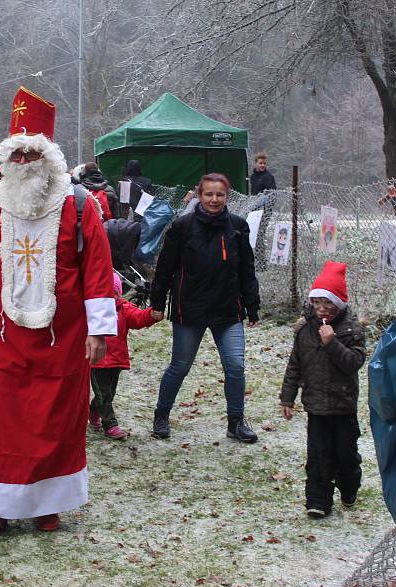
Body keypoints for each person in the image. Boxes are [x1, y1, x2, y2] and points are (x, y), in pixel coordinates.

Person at [0, 87, 116, 542]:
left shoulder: (79, 205)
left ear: (49, 154)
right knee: (2, 421)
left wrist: (99, 330)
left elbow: (97, 267)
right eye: (17, 153)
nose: (25, 160)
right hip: (4, 337)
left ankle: (47, 503)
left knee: (56, 420)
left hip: (63, 336)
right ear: (8, 159)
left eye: (33, 151)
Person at [149, 173, 260, 443]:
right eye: (209, 194)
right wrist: (157, 302)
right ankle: (161, 415)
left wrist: (252, 305)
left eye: (219, 194)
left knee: (235, 366)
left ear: (227, 196)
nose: (214, 199)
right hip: (190, 309)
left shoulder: (237, 227)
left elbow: (247, 269)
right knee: (180, 365)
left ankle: (236, 421)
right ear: (200, 195)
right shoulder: (182, 226)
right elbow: (165, 268)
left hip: (227, 310)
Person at [278, 261, 365, 519]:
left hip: (342, 406)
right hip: (315, 406)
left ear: (338, 304)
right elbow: (295, 365)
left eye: (327, 304)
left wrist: (332, 343)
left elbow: (353, 363)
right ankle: (317, 500)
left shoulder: (350, 329)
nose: (321, 309)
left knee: (345, 456)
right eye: (317, 303)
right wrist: (287, 398)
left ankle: (349, 486)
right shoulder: (305, 330)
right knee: (318, 455)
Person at [90, 272, 162, 439]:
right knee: (104, 394)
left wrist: (151, 315)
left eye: (114, 294)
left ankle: (93, 410)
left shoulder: (123, 309)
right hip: (95, 362)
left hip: (116, 361)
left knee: (109, 393)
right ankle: (110, 425)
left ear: (118, 294)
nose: (110, 298)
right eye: (105, 294)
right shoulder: (93, 312)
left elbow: (138, 317)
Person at [250, 152, 277, 265]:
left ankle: (261, 262)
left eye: (264, 163)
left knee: (260, 234)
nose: (262, 165)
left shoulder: (268, 177)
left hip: (265, 210)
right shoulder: (253, 176)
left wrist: (264, 202)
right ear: (256, 163)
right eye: (260, 163)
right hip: (254, 209)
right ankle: (256, 259)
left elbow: (272, 194)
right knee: (253, 234)